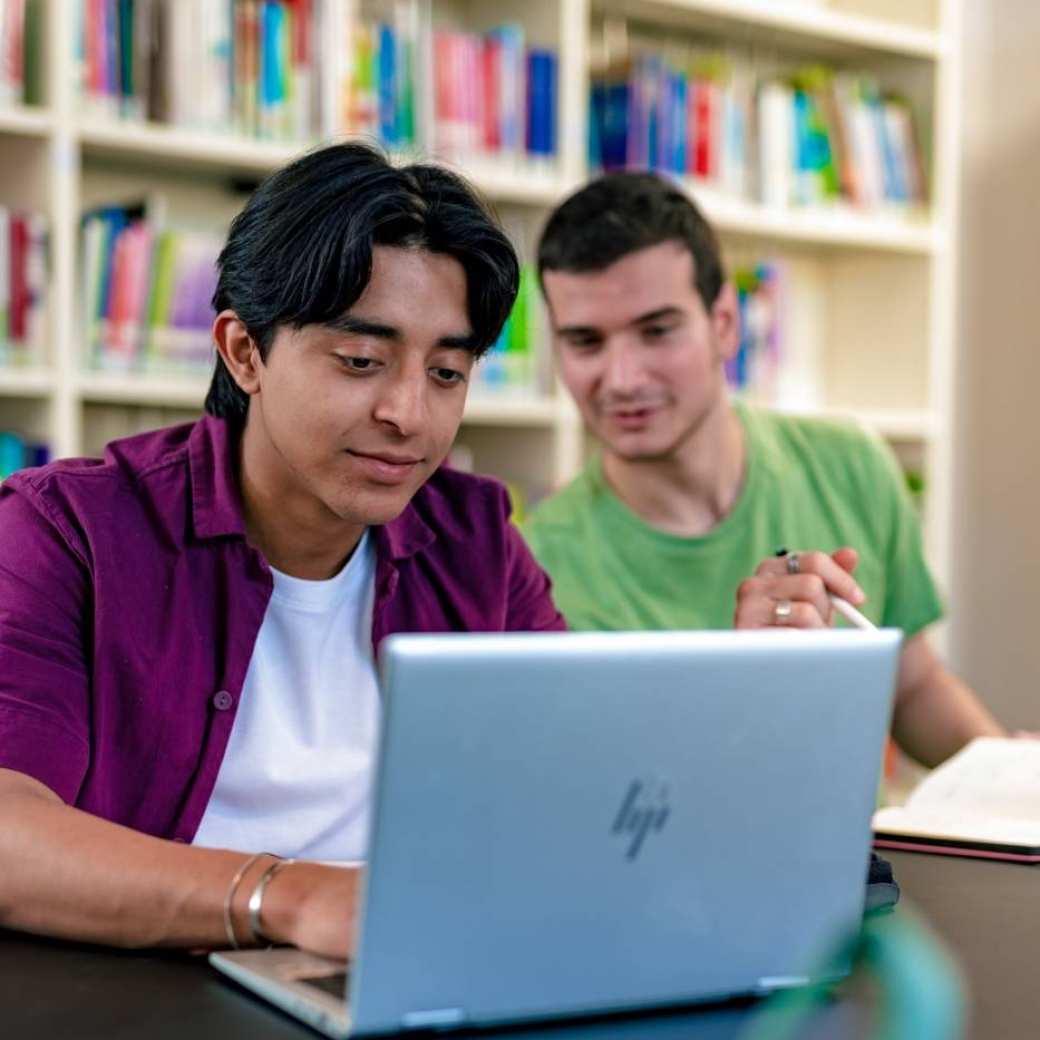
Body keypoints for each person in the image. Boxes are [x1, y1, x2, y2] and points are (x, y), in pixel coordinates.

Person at [0, 143, 563, 958]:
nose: (408, 414)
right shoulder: (68, 531)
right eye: (361, 361)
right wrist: (289, 896)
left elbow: (579, 790)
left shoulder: (475, 542)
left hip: (405, 969)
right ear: (244, 351)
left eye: (447, 373)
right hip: (153, 987)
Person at [523, 171, 1003, 768]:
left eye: (657, 331)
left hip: (864, 863)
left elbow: (912, 686)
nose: (622, 379)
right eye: (586, 342)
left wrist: (1007, 779)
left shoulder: (850, 463)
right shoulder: (535, 570)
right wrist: (750, 686)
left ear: (724, 323)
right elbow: (613, 805)